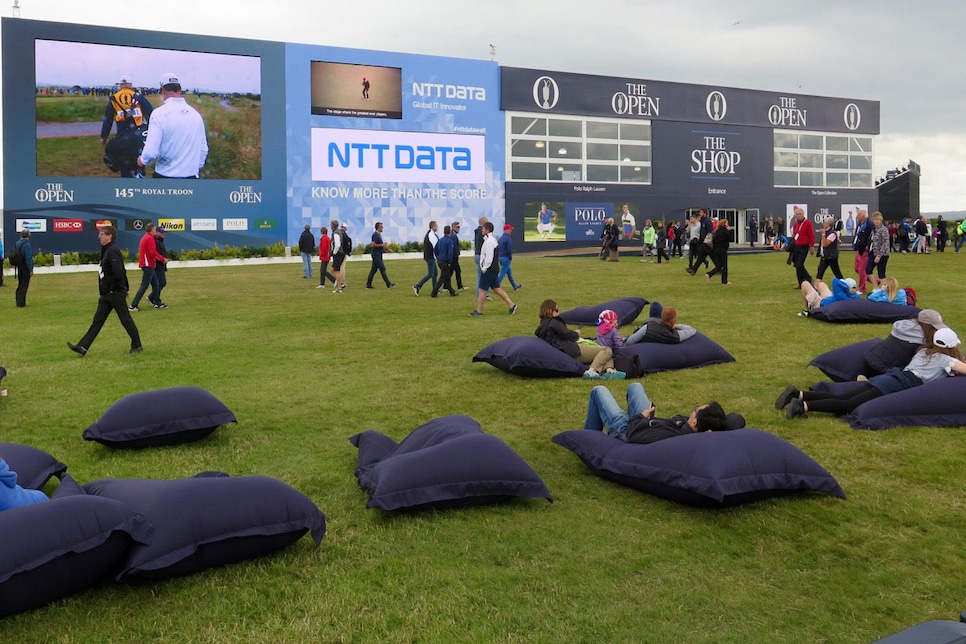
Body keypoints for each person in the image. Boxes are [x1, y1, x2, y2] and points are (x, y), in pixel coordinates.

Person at [777, 327, 966, 419]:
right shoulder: (946, 360)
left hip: (892, 377)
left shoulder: (924, 351)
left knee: (845, 396)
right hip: (900, 384)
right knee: (848, 404)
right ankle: (803, 406)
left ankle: (798, 394)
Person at [67, 225, 142, 356]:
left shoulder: (113, 250)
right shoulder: (106, 250)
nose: (99, 237)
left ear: (109, 236)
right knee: (97, 321)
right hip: (106, 294)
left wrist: (118, 288)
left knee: (125, 319)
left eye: (102, 234)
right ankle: (82, 347)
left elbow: (119, 271)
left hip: (114, 293)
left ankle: (137, 345)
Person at [584, 383, 730, 443]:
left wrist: (641, 416)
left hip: (627, 431)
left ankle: (588, 441)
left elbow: (634, 433)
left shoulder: (671, 436)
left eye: (695, 411)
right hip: (647, 424)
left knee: (599, 391)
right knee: (636, 386)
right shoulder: (693, 429)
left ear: (694, 422)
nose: (691, 411)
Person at [137, 73, 208, 179]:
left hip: (165, 176)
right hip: (192, 177)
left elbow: (151, 152)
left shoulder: (159, 114)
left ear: (163, 90)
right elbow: (203, 149)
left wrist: (142, 161)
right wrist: (194, 167)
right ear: (180, 89)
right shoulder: (196, 114)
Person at [534, 299, 616, 379]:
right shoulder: (554, 322)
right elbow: (567, 335)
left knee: (602, 352)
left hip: (563, 351)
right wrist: (576, 334)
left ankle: (609, 371)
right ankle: (591, 371)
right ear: (551, 311)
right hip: (571, 351)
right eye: (557, 310)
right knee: (606, 350)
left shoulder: (542, 326)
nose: (558, 312)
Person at [100, 74, 153, 178]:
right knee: (139, 156)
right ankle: (140, 175)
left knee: (123, 158)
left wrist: (104, 136)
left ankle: (126, 178)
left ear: (120, 85)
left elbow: (108, 119)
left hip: (122, 133)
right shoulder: (138, 97)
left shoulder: (114, 98)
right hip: (138, 132)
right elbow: (151, 113)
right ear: (130, 84)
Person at [864, 309, 945, 374]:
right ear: (929, 326)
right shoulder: (920, 342)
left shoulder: (904, 328)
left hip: (871, 357)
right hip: (884, 369)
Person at [471, 222, 517, 317]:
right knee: (496, 289)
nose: (482, 230)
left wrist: (484, 268)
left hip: (489, 269)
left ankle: (479, 311)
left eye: (483, 229)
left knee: (482, 290)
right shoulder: (491, 240)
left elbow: (489, 257)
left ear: (487, 230)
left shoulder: (489, 242)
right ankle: (511, 305)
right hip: (493, 269)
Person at [129, 222, 166, 311]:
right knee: (145, 285)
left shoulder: (146, 237)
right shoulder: (149, 238)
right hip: (148, 264)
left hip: (148, 264)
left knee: (156, 284)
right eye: (154, 229)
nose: (155, 231)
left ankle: (157, 302)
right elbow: (152, 252)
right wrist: (162, 259)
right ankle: (133, 305)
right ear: (151, 230)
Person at [625, 304, 697, 345]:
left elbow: (630, 341)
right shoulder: (674, 336)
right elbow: (692, 330)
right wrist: (677, 326)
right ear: (673, 321)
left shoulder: (648, 327)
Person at [364, 222, 395, 289]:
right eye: (381, 227)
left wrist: (387, 249)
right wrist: (382, 245)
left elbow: (380, 245)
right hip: (376, 254)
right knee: (382, 268)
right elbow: (373, 244)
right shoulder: (375, 235)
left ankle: (368, 285)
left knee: (373, 270)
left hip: (378, 254)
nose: (382, 228)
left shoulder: (378, 235)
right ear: (378, 227)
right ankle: (388, 284)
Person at [789, 206, 814, 287]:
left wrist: (811, 246)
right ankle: (801, 283)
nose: (798, 215)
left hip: (804, 246)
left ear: (803, 214)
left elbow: (811, 235)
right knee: (797, 265)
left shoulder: (808, 223)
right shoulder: (796, 224)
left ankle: (808, 278)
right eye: (797, 214)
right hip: (796, 246)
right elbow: (795, 234)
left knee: (799, 264)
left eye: (800, 214)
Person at [430, 225, 458, 297]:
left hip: (439, 260)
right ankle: (434, 292)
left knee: (447, 276)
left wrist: (438, 256)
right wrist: (450, 262)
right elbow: (450, 253)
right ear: (450, 232)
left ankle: (451, 291)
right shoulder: (450, 241)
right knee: (443, 277)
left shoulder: (440, 240)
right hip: (445, 261)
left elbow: (435, 249)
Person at [413, 221, 439, 296]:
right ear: (433, 226)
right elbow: (435, 246)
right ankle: (417, 285)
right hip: (430, 256)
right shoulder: (431, 235)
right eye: (436, 225)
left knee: (435, 273)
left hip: (431, 256)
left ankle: (435, 289)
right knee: (431, 274)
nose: (437, 227)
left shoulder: (432, 234)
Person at [866, 211, 891, 289]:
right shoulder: (874, 229)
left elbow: (885, 243)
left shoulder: (883, 229)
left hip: (882, 254)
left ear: (881, 220)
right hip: (873, 252)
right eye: (875, 219)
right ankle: (875, 287)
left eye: (878, 219)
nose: (876, 221)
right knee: (868, 269)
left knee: (881, 272)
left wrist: (879, 256)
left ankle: (884, 289)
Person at [815, 215, 844, 281]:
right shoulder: (826, 232)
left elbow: (825, 244)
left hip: (831, 256)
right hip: (825, 256)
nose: (823, 224)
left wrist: (823, 234)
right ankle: (815, 288)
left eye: (824, 223)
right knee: (820, 271)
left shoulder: (832, 234)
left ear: (828, 224)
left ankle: (845, 285)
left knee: (837, 272)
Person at [686, 209, 713, 275]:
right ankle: (693, 270)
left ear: (705, 213)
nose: (700, 213)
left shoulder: (706, 221)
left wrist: (706, 239)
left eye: (701, 212)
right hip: (700, 242)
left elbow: (710, 231)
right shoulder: (703, 221)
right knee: (700, 256)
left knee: (712, 256)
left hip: (706, 242)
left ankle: (719, 268)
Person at [705, 218, 731, 285]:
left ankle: (709, 274)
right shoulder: (724, 232)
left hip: (716, 250)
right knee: (724, 266)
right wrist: (729, 231)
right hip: (722, 250)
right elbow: (730, 238)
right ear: (724, 224)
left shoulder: (717, 231)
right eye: (727, 223)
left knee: (719, 266)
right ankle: (724, 281)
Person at [852, 209, 871, 294]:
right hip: (859, 248)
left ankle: (862, 289)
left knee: (862, 270)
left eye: (858, 215)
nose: (856, 217)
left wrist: (867, 246)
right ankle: (877, 281)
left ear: (863, 216)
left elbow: (872, 236)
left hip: (864, 250)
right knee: (856, 268)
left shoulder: (869, 225)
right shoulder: (860, 224)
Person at [497, 224, 521, 291]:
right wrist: (510, 258)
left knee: (509, 273)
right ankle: (496, 285)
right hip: (506, 258)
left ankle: (515, 286)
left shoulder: (501, 238)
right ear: (506, 230)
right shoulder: (508, 238)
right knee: (502, 273)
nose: (511, 231)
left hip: (500, 257)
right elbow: (509, 249)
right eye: (510, 230)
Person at [14, 230, 33, 308]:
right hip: (25, 267)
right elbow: (28, 258)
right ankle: (21, 303)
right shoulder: (27, 244)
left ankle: (18, 301)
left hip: (19, 266)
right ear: (28, 235)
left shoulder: (17, 243)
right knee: (24, 285)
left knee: (20, 283)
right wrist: (31, 269)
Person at [153, 226, 169, 308]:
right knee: (161, 283)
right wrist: (162, 259)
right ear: (157, 232)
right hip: (158, 265)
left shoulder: (159, 241)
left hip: (161, 265)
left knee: (160, 283)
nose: (163, 234)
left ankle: (153, 298)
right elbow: (155, 253)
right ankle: (155, 300)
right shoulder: (156, 241)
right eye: (161, 232)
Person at [329, 219, 346, 293]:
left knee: (336, 270)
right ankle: (341, 283)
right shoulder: (339, 232)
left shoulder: (336, 233)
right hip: (340, 253)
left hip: (338, 253)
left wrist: (334, 253)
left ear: (332, 226)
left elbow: (337, 244)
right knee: (333, 269)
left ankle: (339, 288)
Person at [473, 216, 489, 292]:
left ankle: (483, 293)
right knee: (482, 276)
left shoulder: (476, 231)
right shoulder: (482, 232)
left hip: (476, 254)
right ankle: (483, 293)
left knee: (480, 275)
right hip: (481, 255)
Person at [450, 221, 465, 290]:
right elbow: (453, 247)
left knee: (450, 272)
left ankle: (446, 286)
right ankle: (460, 286)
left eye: (459, 227)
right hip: (453, 257)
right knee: (457, 271)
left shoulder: (453, 235)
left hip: (454, 257)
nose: (459, 229)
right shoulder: (453, 235)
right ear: (453, 227)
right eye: (457, 227)